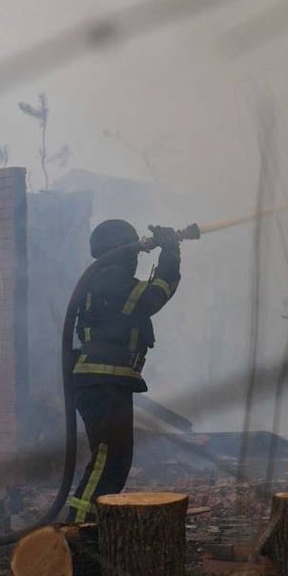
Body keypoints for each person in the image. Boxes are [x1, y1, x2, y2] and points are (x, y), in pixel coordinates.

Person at [66, 220, 181, 522]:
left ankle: (94, 527)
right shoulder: (109, 278)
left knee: (115, 460)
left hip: (109, 380)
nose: (135, 258)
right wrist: (170, 252)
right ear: (121, 251)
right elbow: (152, 297)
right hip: (103, 380)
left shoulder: (105, 278)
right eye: (132, 253)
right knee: (107, 459)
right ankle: (79, 532)